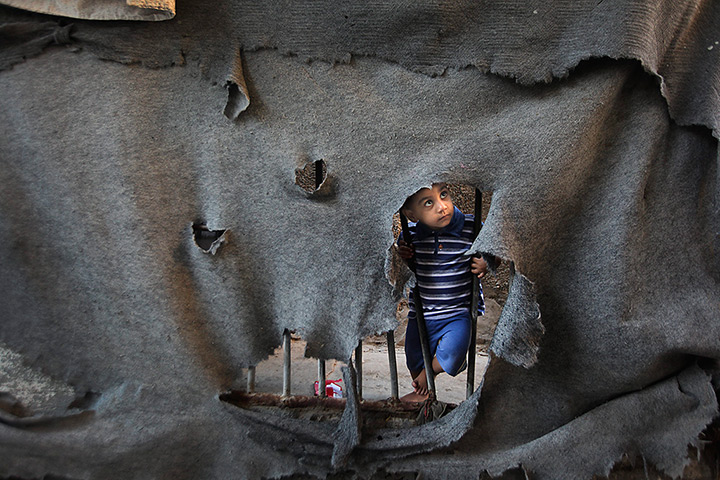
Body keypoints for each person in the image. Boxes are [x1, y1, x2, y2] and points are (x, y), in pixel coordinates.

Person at [396, 183, 489, 402]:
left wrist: (487, 262)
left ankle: (427, 378)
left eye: (444, 195)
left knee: (454, 352)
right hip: (422, 313)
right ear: (411, 214)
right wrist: (401, 257)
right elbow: (399, 270)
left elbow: (494, 250)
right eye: (429, 203)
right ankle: (424, 392)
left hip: (457, 312)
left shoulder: (471, 226)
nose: (442, 206)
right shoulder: (409, 235)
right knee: (413, 356)